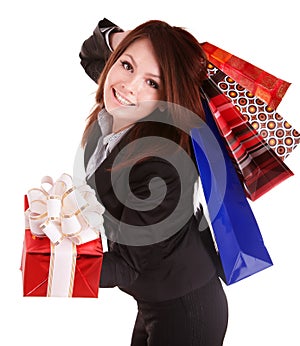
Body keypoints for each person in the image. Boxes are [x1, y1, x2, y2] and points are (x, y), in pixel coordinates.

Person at [78, 18, 228, 346]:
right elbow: (90, 54)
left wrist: (58, 267)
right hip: (153, 298)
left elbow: (129, 267)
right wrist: (142, 39)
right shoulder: (122, 101)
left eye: (152, 82)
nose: (130, 86)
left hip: (187, 310)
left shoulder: (162, 166)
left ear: (167, 98)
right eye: (127, 65)